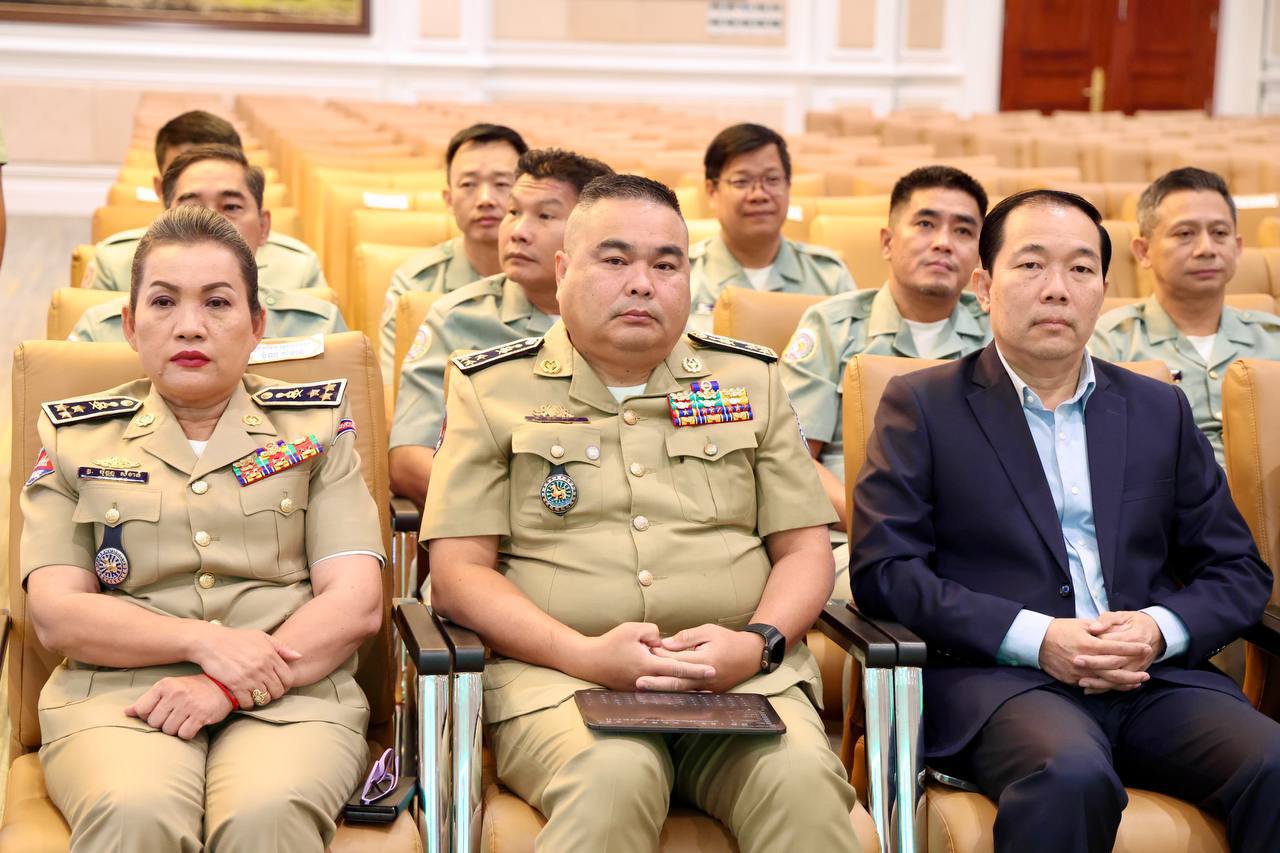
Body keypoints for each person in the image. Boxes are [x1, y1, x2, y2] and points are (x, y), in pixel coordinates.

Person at [424, 174, 862, 852]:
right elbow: (458, 575)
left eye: (666, 265)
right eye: (615, 260)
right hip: (561, 679)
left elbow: (805, 549)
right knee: (614, 776)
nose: (641, 284)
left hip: (741, 677)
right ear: (563, 272)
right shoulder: (491, 389)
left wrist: (757, 643)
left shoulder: (749, 380)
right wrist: (584, 654)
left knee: (804, 783)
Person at [850, 189, 1280, 853]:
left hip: (1152, 679)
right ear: (984, 286)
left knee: (1274, 763)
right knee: (1070, 775)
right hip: (1002, 681)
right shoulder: (924, 406)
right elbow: (886, 571)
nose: (1057, 288)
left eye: (1080, 269)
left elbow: (1238, 569)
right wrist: (1039, 636)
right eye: (1031, 266)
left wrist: (1157, 629)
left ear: (1104, 290)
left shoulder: (1157, 408)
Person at [21, 205, 384, 851]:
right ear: (130, 324)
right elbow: (56, 611)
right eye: (163, 302)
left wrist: (223, 685)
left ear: (256, 324)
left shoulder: (316, 428)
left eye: (217, 303)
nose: (190, 325)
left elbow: (354, 601)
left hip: (290, 694)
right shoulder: (75, 436)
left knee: (265, 813)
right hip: (117, 698)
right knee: (135, 811)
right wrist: (204, 642)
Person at [781, 165, 990, 568]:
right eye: (925, 224)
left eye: (963, 231)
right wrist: (876, 524)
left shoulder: (998, 334)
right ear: (888, 242)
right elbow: (795, 458)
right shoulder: (833, 326)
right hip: (855, 539)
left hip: (974, 549)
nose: (943, 243)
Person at [387, 148, 612, 506]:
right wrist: (523, 514)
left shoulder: (635, 322)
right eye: (513, 212)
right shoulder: (457, 320)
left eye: (545, 215)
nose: (518, 232)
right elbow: (408, 460)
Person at [1091, 167, 1280, 466]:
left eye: (1220, 233)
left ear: (1238, 248)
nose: (1206, 249)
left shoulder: (1273, 338)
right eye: (1185, 234)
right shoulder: (1109, 343)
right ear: (1143, 251)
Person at [84, 116, 324, 293]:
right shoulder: (115, 264)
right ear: (165, 197)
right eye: (192, 206)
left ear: (263, 225)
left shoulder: (298, 269)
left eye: (230, 207)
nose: (210, 221)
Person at [378, 123, 528, 380]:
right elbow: (396, 386)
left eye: (502, 183)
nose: (485, 199)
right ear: (448, 199)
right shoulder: (415, 284)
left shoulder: (554, 281)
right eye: (468, 184)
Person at [688, 123, 854, 330]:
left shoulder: (829, 277)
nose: (759, 194)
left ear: (788, 186)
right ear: (712, 191)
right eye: (742, 181)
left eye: (772, 179)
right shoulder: (684, 277)